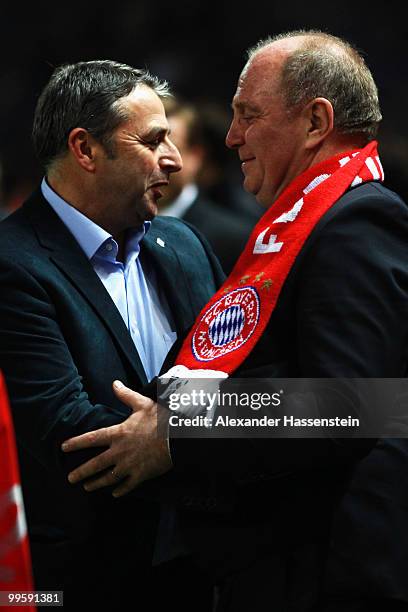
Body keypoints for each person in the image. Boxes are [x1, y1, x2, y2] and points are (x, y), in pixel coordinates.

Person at [62, 31, 408, 611]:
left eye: (248, 115)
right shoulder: (304, 221)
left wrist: (180, 429)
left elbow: (353, 402)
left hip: (330, 573)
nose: (231, 136)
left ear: (316, 121)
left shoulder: (359, 220)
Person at [0, 60, 224, 610]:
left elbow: (238, 371)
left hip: (204, 566)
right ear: (85, 150)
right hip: (85, 580)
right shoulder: (11, 264)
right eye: (153, 141)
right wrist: (215, 440)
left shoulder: (185, 242)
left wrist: (169, 433)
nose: (173, 160)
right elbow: (73, 437)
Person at [159, 97, 259, 274]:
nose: (155, 162)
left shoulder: (235, 240)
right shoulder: (115, 228)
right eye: (147, 148)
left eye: (170, 149)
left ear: (196, 156)